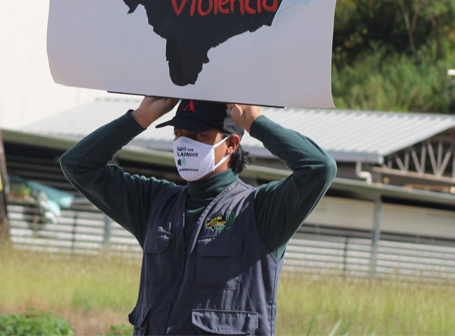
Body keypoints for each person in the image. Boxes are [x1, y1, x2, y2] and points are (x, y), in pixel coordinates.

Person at [60, 97, 337, 335]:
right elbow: (78, 165)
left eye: (198, 136)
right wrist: (139, 118)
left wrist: (256, 122)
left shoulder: (259, 210)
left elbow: (319, 168)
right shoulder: (154, 203)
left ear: (231, 145)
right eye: (179, 133)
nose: (184, 144)